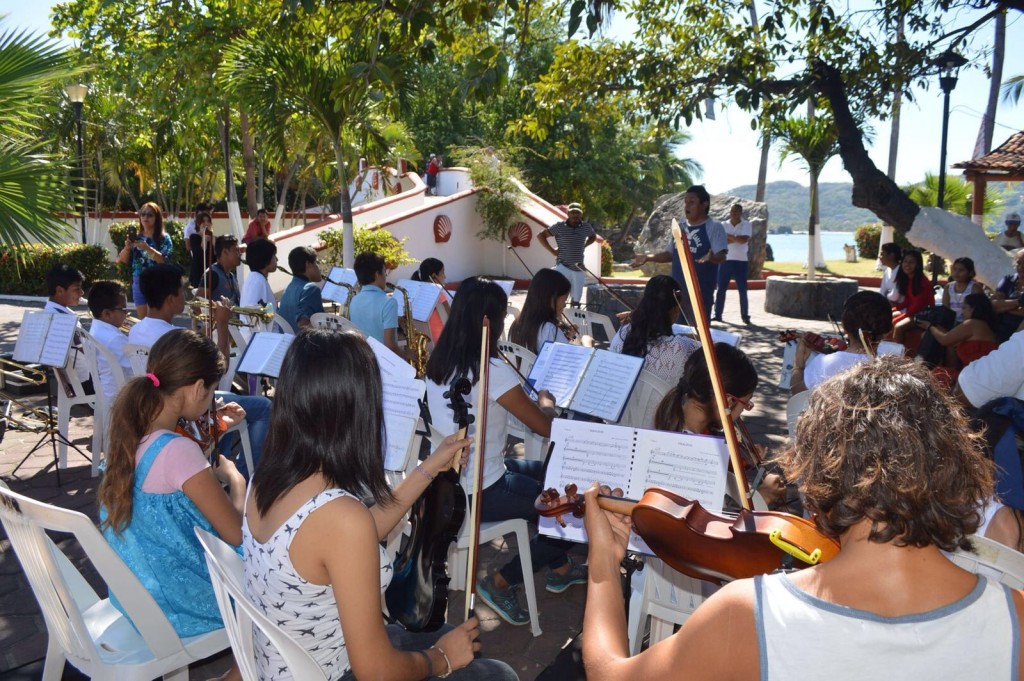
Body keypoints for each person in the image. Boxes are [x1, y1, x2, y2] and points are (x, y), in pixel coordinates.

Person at [582, 357, 1023, 680]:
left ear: (817, 482)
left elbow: (610, 674)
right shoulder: (1015, 616)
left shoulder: (747, 613)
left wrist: (604, 563)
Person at [243, 330, 517, 681]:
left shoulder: (264, 479)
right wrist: (441, 659)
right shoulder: (340, 518)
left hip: (295, 662)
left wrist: (429, 468)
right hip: (338, 670)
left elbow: (350, 537)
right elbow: (375, 671)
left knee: (457, 639)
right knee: (499, 674)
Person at [425, 277, 585, 627]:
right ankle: (500, 582)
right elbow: (544, 427)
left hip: (452, 480)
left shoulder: (439, 359)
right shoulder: (491, 370)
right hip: (482, 488)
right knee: (573, 514)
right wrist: (546, 403)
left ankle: (558, 566)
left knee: (545, 473)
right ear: (489, 322)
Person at [98, 330, 247, 681]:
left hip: (136, 598)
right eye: (210, 393)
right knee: (277, 575)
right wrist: (236, 480)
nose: (210, 401)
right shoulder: (179, 450)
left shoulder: (129, 435)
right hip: (180, 605)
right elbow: (236, 535)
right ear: (197, 389)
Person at [128, 264, 271, 477]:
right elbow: (220, 367)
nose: (186, 296)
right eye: (181, 291)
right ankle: (243, 474)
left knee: (229, 398)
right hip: (189, 407)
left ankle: (220, 456)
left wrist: (207, 330)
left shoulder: (136, 329)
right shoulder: (175, 336)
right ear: (170, 299)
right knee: (264, 406)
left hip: (159, 401)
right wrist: (222, 325)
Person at [653, 343, 786, 508]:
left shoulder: (675, 413)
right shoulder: (697, 452)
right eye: (746, 404)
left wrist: (738, 463)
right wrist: (762, 497)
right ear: (728, 401)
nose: (744, 410)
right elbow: (710, 525)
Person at [630, 185, 727, 323]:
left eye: (692, 202)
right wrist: (648, 257)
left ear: (704, 204)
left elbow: (722, 257)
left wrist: (712, 257)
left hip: (700, 295)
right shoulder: (679, 227)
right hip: (676, 294)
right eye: (686, 202)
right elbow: (670, 254)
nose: (687, 205)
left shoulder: (714, 227)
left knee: (696, 338)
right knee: (674, 334)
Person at [790, 290, 892, 394]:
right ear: (888, 331)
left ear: (844, 327)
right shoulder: (893, 366)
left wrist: (798, 365)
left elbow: (797, 394)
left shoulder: (824, 364)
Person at [609, 275, 700, 385]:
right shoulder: (680, 346)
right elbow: (712, 350)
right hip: (660, 402)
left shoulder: (623, 332)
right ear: (675, 309)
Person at [919, 293, 999, 387]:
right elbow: (950, 338)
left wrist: (929, 326)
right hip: (974, 375)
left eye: (964, 308)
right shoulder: (984, 325)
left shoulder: (972, 324)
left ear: (973, 309)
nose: (961, 312)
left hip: (973, 379)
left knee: (936, 374)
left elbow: (944, 339)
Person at [509, 268, 592, 354]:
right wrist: (587, 343)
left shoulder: (515, 325)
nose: (564, 305)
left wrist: (566, 338)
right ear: (552, 299)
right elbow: (574, 361)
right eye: (564, 300)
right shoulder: (550, 329)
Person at [116, 201, 173, 320]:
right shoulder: (137, 237)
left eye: (150, 215)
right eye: (143, 214)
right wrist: (127, 248)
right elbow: (123, 260)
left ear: (157, 218)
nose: (146, 217)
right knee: (144, 320)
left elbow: (164, 261)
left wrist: (147, 248)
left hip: (157, 281)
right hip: (139, 281)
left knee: (156, 319)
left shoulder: (163, 238)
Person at [537, 202, 599, 306]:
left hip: (579, 268)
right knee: (559, 297)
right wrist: (552, 251)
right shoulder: (559, 226)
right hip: (563, 267)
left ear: (581, 214)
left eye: (577, 213)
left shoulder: (586, 227)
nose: (575, 215)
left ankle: (573, 321)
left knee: (576, 300)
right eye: (572, 212)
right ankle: (558, 319)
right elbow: (541, 236)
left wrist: (585, 245)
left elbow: (593, 236)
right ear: (568, 214)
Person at [43, 263, 91, 388]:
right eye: (77, 289)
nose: (81, 293)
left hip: (75, 380)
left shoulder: (49, 313)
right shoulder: (63, 319)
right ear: (60, 290)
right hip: (83, 381)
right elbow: (84, 351)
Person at [349, 251, 405, 355]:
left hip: (363, 359)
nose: (385, 276)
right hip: (383, 364)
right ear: (377, 274)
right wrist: (407, 354)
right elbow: (390, 345)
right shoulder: (389, 302)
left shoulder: (354, 300)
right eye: (384, 272)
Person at [86, 280, 133, 401]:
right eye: (123, 309)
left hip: (104, 395)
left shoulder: (95, 329)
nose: (127, 313)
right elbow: (136, 368)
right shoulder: (115, 338)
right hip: (120, 399)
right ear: (107, 313)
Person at [712, 203, 752, 324]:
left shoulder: (747, 225)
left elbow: (743, 240)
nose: (734, 213)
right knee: (721, 289)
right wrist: (736, 238)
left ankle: (745, 316)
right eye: (733, 211)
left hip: (741, 261)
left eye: (737, 211)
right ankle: (718, 315)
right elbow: (721, 241)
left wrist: (729, 236)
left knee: (742, 290)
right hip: (725, 260)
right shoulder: (723, 224)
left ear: (741, 213)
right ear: (730, 212)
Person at [890, 249, 935, 344]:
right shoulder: (909, 279)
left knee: (898, 326)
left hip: (923, 315)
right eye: (905, 261)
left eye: (911, 262)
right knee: (888, 317)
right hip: (912, 312)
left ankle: (897, 355)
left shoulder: (922, 282)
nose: (907, 265)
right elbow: (908, 300)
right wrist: (895, 309)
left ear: (918, 265)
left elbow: (917, 306)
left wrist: (900, 317)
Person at [239, 238, 279, 341]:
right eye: (274, 255)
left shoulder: (256, 279)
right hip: (259, 342)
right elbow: (253, 318)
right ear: (265, 259)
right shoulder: (257, 281)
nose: (277, 259)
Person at [278, 246, 324, 331]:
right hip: (303, 343)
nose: (318, 267)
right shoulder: (311, 289)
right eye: (316, 263)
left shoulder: (286, 290)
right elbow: (303, 323)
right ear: (308, 264)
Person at [410, 257, 451, 344]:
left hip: (421, 344)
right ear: (434, 276)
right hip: (441, 344)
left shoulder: (413, 294)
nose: (445, 276)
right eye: (442, 273)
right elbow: (451, 318)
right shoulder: (439, 295)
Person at [991, 249, 1024, 341]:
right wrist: (1018, 302)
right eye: (1019, 263)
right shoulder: (1008, 280)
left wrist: (1005, 307)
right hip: (1000, 328)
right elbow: (994, 305)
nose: (1021, 267)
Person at [188, 208, 214, 288]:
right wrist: (204, 237)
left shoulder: (214, 238)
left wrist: (212, 239)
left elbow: (216, 253)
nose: (206, 223)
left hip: (211, 270)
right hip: (199, 270)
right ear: (198, 224)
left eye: (208, 221)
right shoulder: (194, 237)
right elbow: (200, 252)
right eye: (203, 221)